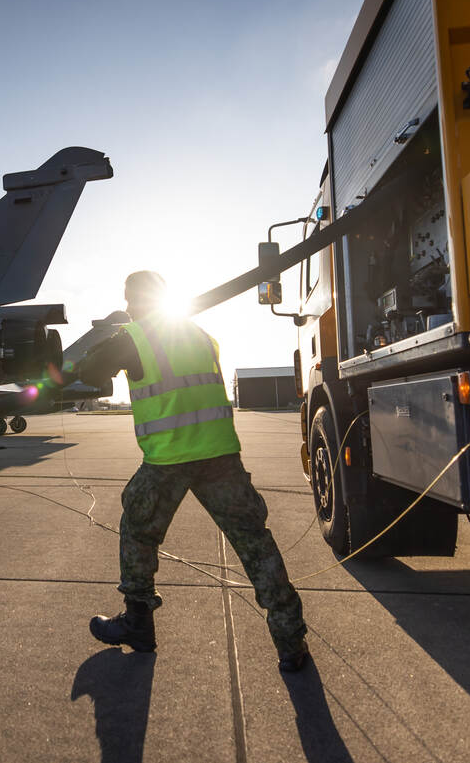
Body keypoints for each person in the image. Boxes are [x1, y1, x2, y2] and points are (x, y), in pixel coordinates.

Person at [77, 271, 309, 672]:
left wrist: (109, 338)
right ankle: (291, 642)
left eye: (129, 300)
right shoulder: (201, 336)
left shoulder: (134, 337)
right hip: (220, 455)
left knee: (138, 530)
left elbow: (88, 371)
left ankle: (138, 622)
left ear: (135, 300)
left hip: (169, 459)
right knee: (255, 543)